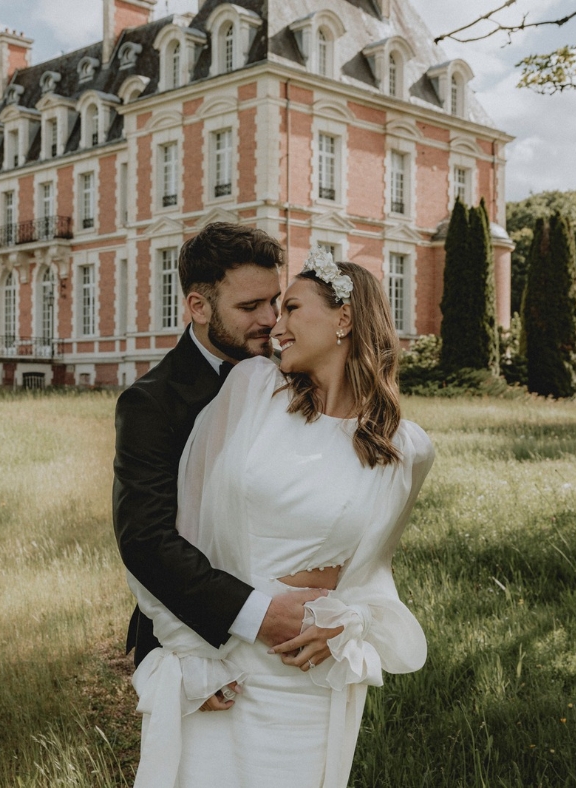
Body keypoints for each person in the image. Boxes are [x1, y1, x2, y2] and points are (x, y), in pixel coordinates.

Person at [127, 249, 435, 788]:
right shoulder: (253, 389)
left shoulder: (406, 449)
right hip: (222, 662)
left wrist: (348, 623)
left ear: (344, 318)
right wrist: (190, 654)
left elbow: (371, 575)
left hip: (309, 677)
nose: (276, 323)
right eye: (272, 307)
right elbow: (168, 535)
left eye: (291, 307)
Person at [112, 223, 329, 674]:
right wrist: (257, 618)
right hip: (193, 638)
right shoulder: (151, 403)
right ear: (198, 307)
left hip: (298, 642)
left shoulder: (297, 378)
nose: (271, 320)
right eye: (250, 306)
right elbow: (147, 542)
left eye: (274, 300)